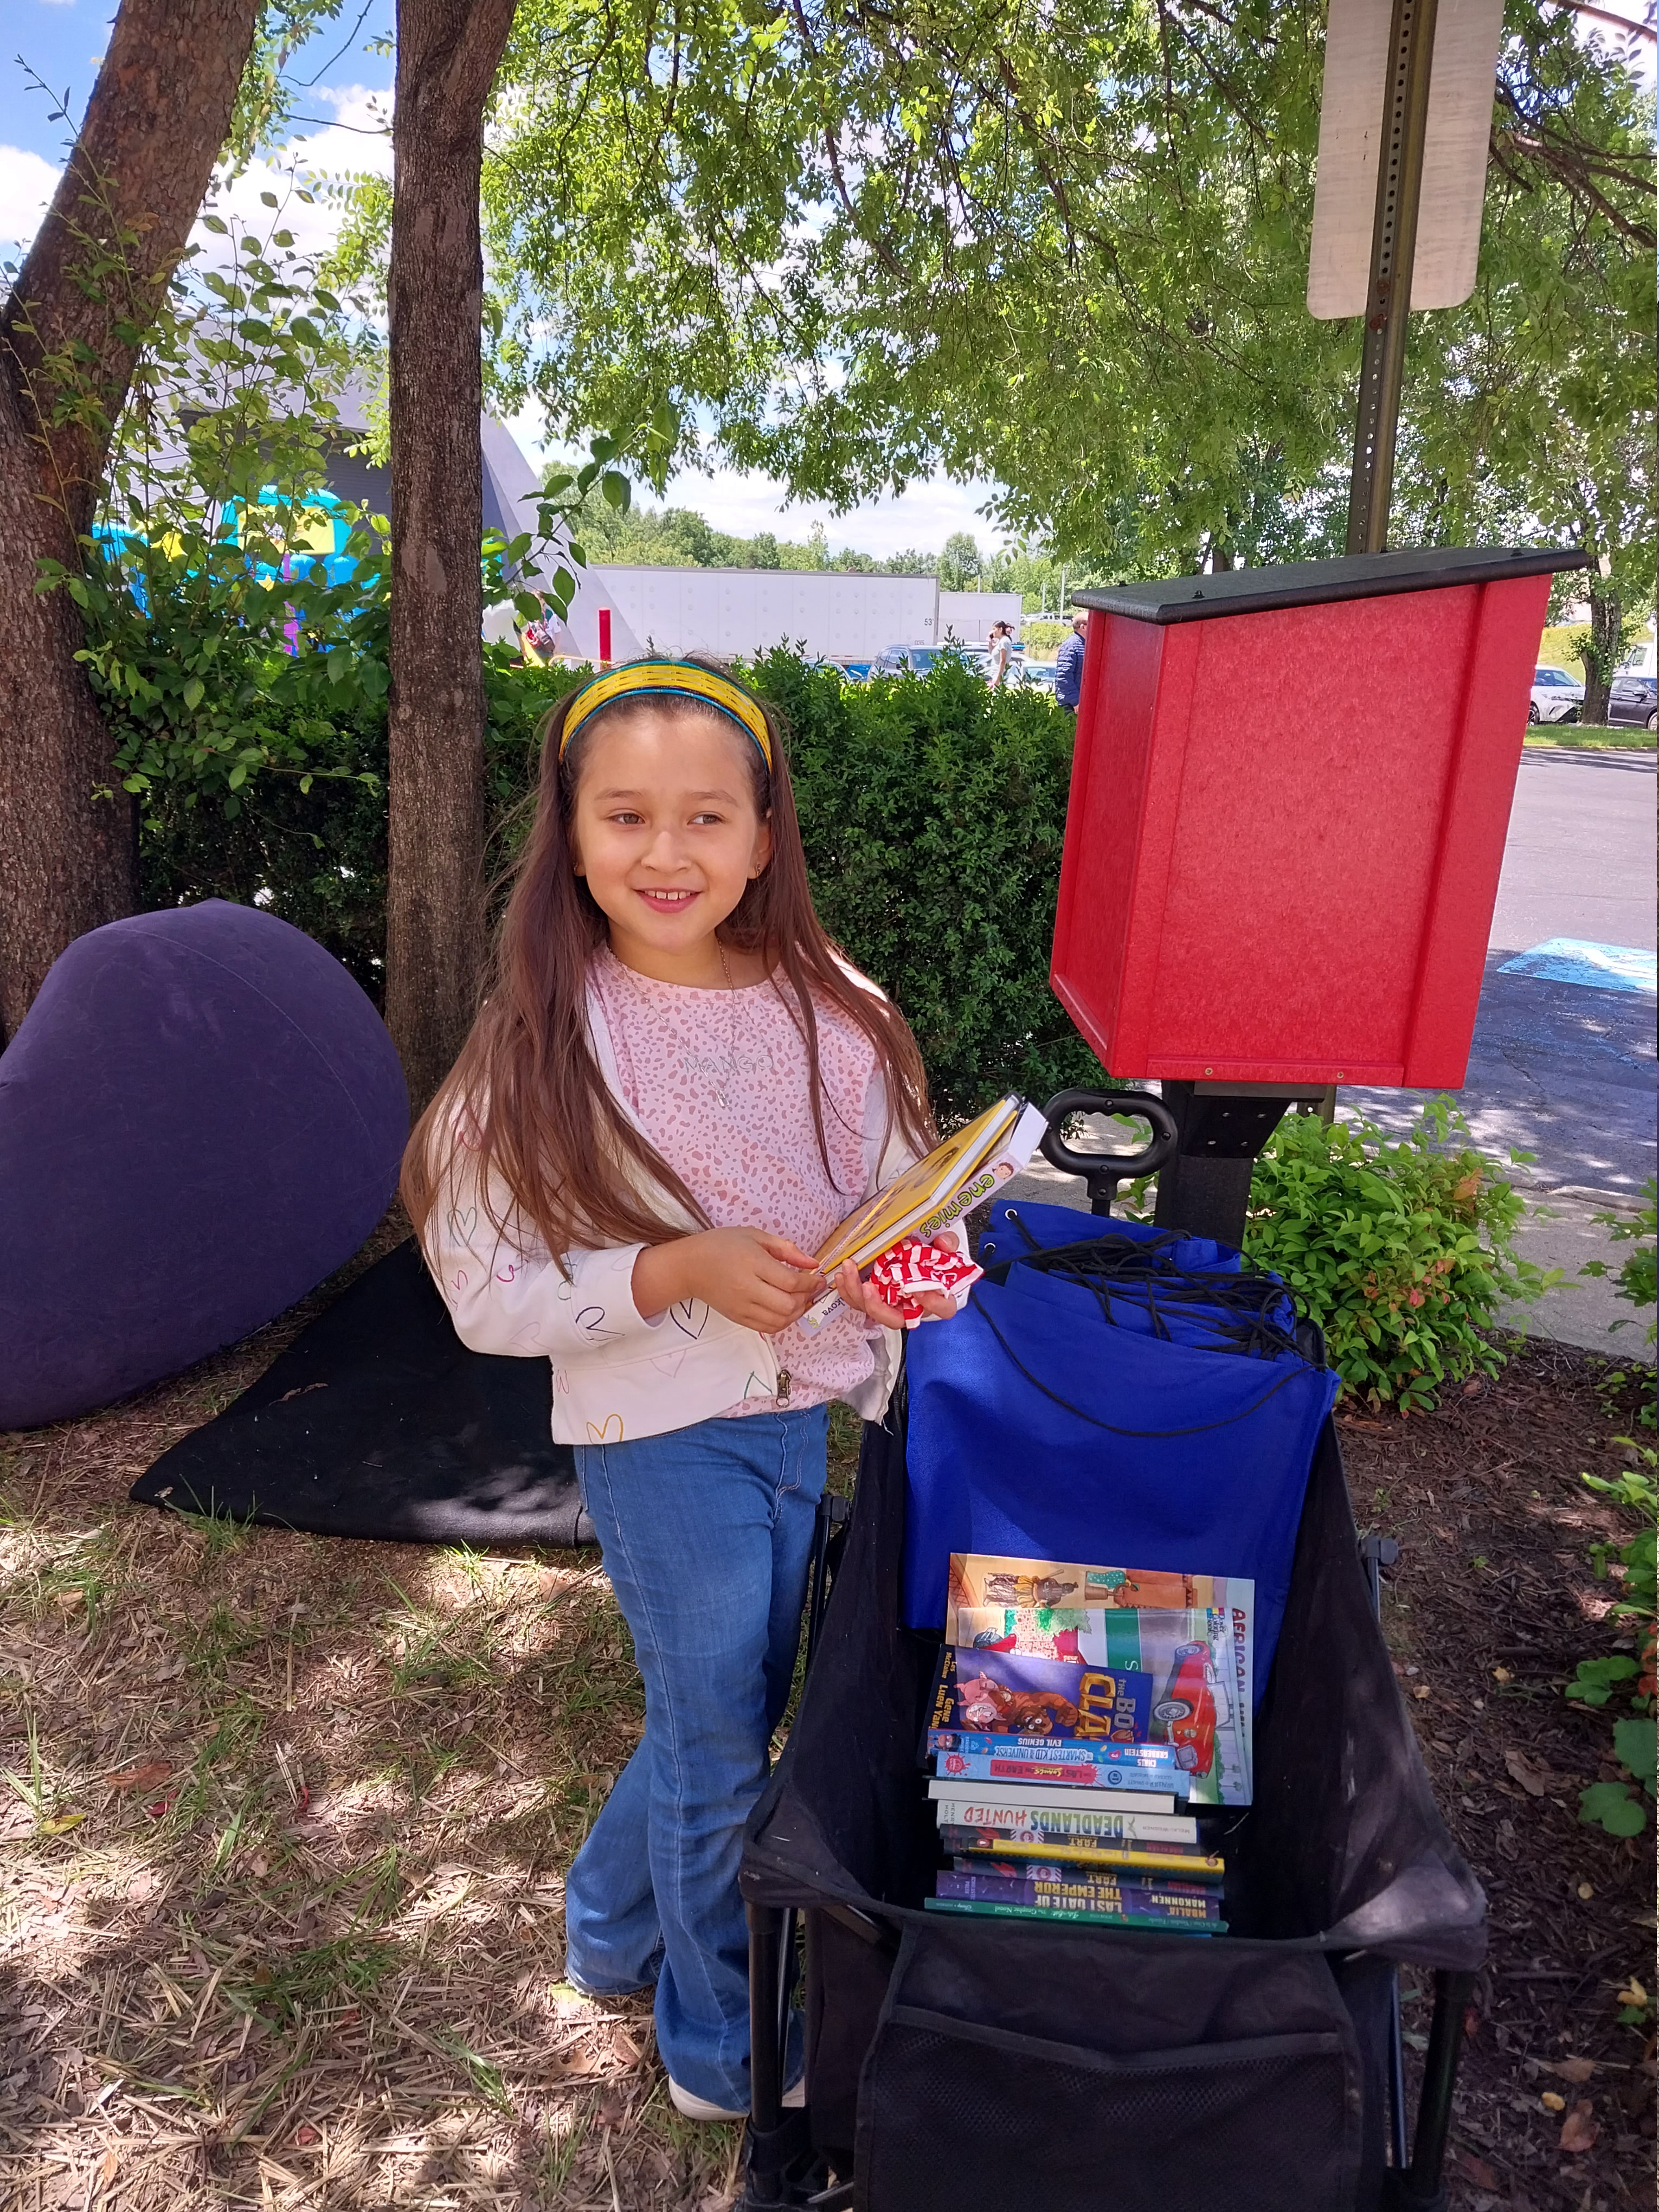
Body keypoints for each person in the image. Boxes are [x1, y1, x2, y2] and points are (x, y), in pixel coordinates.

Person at [401, 657, 962, 2123]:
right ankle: (719, 2050)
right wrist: (670, 1271)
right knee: (719, 1743)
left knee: (728, 1703)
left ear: (763, 837)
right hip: (657, 1439)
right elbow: (483, 1286)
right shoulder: (546, 1035)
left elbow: (904, 1198)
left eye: (706, 816)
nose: (667, 850)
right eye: (626, 814)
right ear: (571, 833)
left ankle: (606, 1929)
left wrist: (910, 1267)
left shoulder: (836, 1012)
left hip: (799, 1420)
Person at [1054, 610, 1088, 712]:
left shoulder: (1085, 644)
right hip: (1070, 706)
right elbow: (1063, 677)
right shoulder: (1071, 645)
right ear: (1083, 627)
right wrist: (1076, 702)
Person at [985, 619, 1014, 690]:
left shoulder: (1004, 641)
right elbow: (991, 652)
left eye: (994, 629)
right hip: (995, 674)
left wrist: (998, 678)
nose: (992, 632)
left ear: (1000, 630)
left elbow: (1003, 660)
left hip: (1000, 675)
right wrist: (990, 641)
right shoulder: (1000, 641)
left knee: (997, 694)